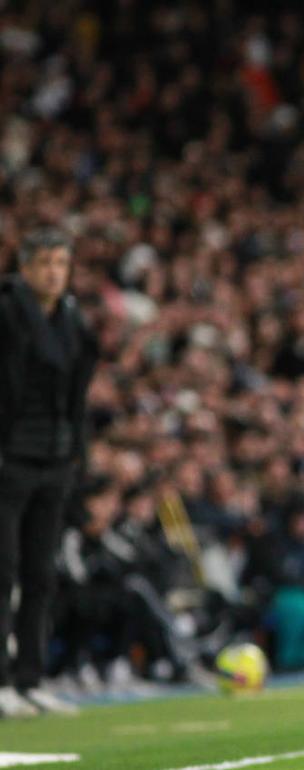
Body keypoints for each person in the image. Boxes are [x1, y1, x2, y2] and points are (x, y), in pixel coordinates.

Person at [0, 228, 98, 716]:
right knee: (3, 570)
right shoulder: (6, 312)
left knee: (40, 574)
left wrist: (80, 454)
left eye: (61, 262)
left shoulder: (72, 318)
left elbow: (77, 397)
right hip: (10, 457)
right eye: (44, 263)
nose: (54, 272)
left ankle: (29, 678)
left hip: (54, 460)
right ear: (24, 267)